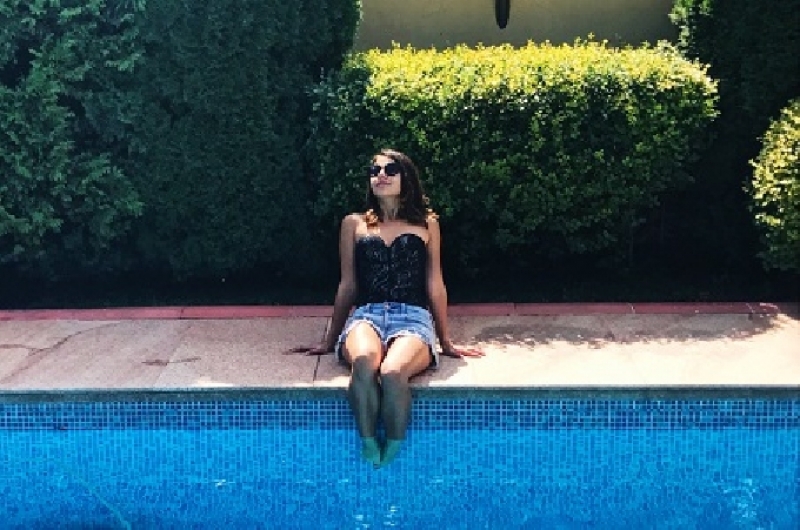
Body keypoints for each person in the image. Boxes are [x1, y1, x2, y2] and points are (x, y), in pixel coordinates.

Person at [291, 148, 484, 468]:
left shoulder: (427, 223)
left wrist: (445, 341)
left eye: (390, 170)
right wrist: (329, 340)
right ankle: (368, 441)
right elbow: (348, 284)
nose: (381, 175)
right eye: (375, 170)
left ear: (406, 177)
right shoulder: (354, 223)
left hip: (413, 317)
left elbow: (435, 283)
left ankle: (393, 443)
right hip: (366, 315)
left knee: (393, 372)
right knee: (364, 361)